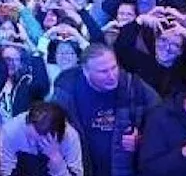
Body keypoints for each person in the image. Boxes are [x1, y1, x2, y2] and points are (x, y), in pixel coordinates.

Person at [52, 44, 159, 176]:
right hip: (83, 168)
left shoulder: (135, 88)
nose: (112, 76)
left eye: (114, 68)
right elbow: (51, 130)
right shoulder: (67, 92)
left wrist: (142, 139)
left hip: (125, 170)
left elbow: (163, 126)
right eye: (103, 71)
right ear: (85, 71)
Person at [0, 101, 87, 176]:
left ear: (54, 136)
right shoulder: (10, 131)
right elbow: (7, 171)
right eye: (29, 136)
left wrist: (56, 159)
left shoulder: (70, 137)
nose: (32, 143)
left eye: (38, 141)